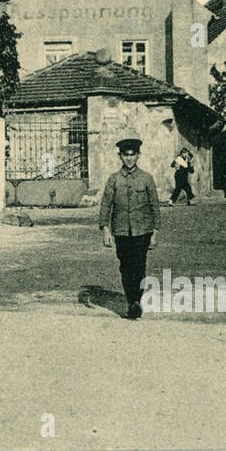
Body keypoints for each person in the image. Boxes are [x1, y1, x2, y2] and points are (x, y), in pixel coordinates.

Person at [98, 134, 160, 320]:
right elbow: (106, 205)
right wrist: (105, 230)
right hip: (122, 230)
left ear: (138, 155)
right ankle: (130, 298)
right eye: (125, 155)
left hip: (142, 230)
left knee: (139, 266)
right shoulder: (113, 179)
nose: (129, 158)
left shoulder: (146, 178)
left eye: (132, 154)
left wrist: (155, 233)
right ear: (120, 156)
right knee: (125, 266)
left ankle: (135, 301)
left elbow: (154, 207)